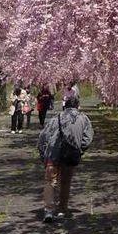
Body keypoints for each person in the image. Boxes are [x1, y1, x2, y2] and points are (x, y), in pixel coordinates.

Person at [38, 95, 93, 223]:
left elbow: (43, 137)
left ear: (65, 106)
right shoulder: (83, 119)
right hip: (70, 154)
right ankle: (62, 209)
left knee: (50, 181)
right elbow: (88, 138)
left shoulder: (55, 118)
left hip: (52, 153)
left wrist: (43, 154)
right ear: (78, 106)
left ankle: (48, 210)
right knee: (65, 182)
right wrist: (79, 150)